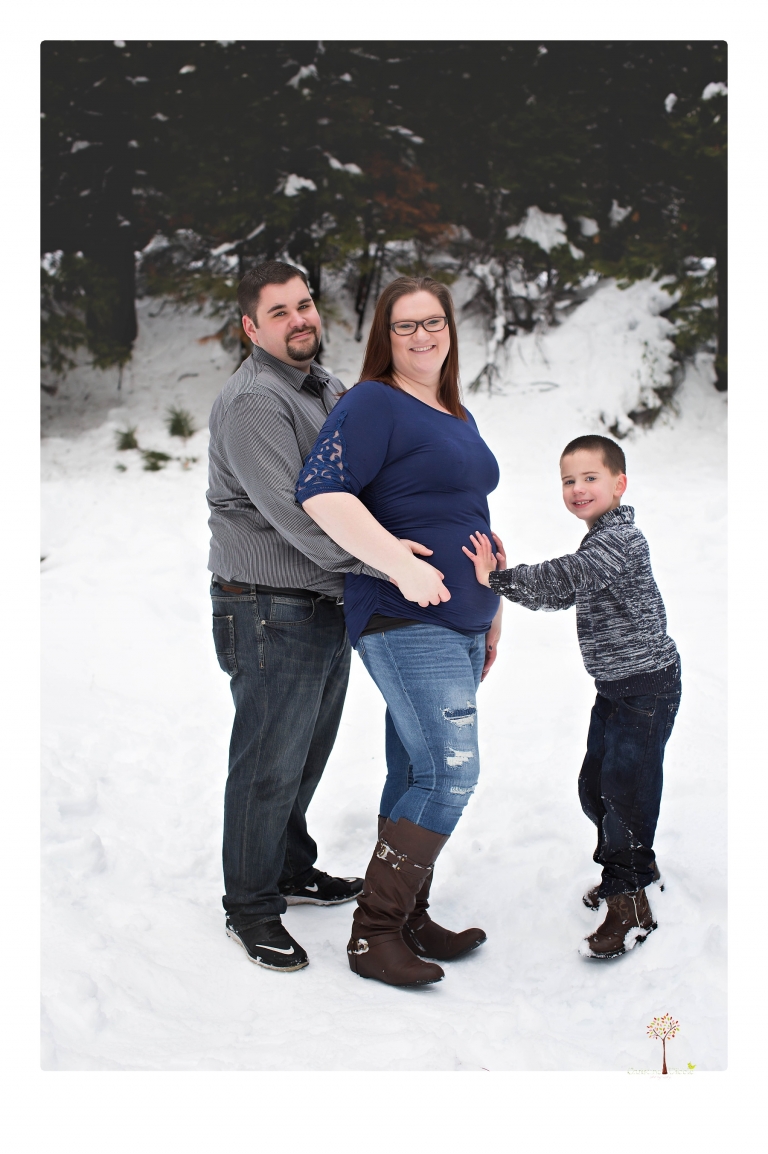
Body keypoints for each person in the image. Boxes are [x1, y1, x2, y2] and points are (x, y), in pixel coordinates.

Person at [296, 276, 504, 988]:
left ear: (451, 330)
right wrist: (394, 564)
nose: (422, 336)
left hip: (462, 619)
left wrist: (494, 606)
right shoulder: (373, 403)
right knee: (451, 774)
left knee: (416, 770)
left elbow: (467, 512)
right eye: (406, 326)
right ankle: (374, 935)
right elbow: (321, 491)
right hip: (404, 615)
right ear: (386, 336)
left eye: (434, 322)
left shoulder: (455, 413)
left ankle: (409, 916)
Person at [207, 260, 388, 973]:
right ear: (251, 327)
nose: (299, 319)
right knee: (265, 764)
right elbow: (295, 516)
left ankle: (288, 867)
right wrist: (386, 565)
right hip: (267, 605)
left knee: (303, 754)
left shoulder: (326, 386)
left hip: (322, 600)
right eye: (279, 311)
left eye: (305, 304)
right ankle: (250, 907)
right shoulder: (256, 401)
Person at [463, 434, 681, 960]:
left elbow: (566, 580)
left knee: (625, 792)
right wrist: (506, 583)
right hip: (616, 688)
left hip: (646, 687)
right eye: (568, 480)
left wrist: (498, 579)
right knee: (595, 787)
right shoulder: (599, 537)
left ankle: (629, 903)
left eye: (590, 478)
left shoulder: (622, 540)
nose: (578, 489)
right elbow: (567, 590)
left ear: (618, 484)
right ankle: (633, 865)